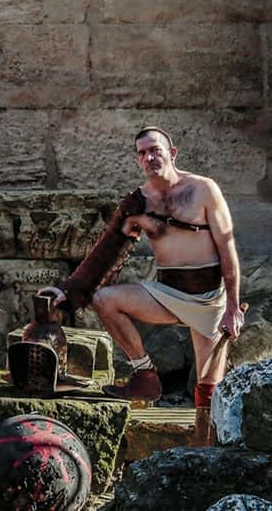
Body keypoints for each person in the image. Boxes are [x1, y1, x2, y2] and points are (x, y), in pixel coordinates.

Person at [39, 127, 245, 408]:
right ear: (138, 160)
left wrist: (232, 307)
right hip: (166, 294)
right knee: (104, 300)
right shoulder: (138, 203)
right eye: (142, 153)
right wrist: (69, 290)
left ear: (172, 153)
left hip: (208, 299)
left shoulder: (203, 190)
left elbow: (227, 249)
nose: (149, 157)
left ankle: (209, 446)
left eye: (155, 150)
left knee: (209, 394)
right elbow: (106, 252)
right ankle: (145, 375)